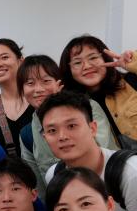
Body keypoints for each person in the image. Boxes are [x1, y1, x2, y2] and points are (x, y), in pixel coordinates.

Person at [16, 55, 117, 199]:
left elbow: (105, 150)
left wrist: (58, 106)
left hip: (109, 195)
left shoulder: (87, 107)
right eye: (30, 83)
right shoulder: (26, 134)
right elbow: (39, 186)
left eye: (46, 81)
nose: (38, 89)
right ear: (22, 90)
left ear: (59, 83)